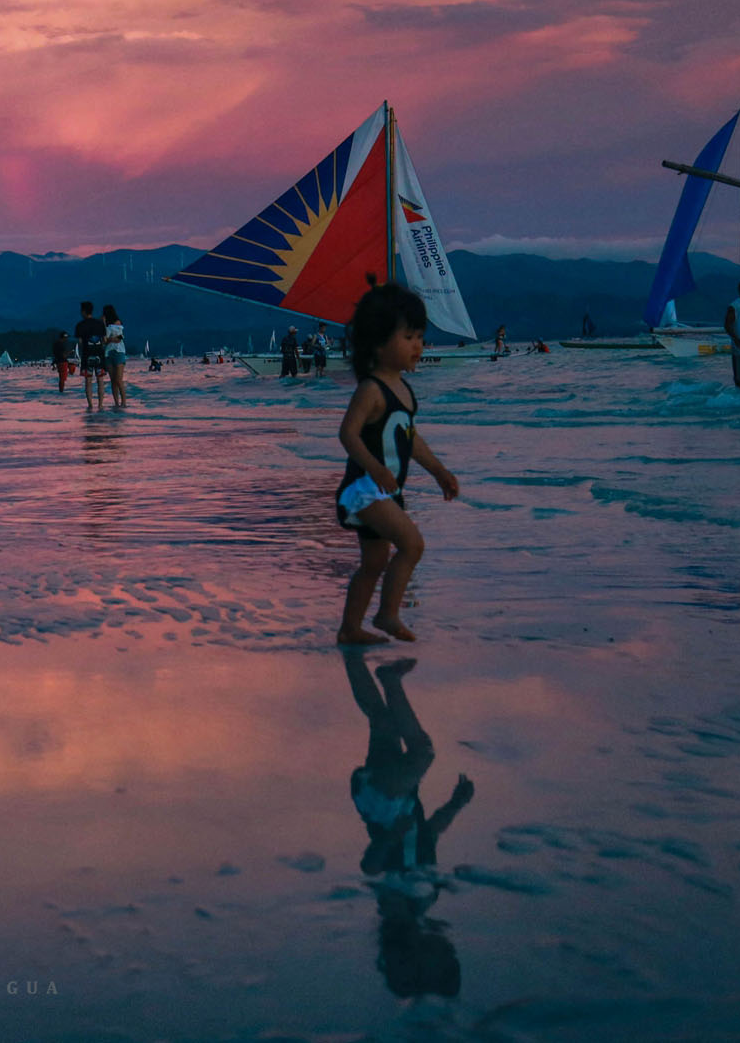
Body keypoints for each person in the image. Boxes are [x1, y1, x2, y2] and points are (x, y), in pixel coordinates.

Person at [342, 654, 474, 999]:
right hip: (395, 800)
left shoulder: (398, 913)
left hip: (383, 805)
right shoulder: (423, 901)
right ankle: (351, 653)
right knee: (382, 722)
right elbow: (429, 834)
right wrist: (456, 804)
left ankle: (390, 679)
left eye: (445, 956)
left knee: (422, 753)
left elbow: (370, 866)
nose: (448, 947)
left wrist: (390, 837)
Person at [336, 283, 459, 645]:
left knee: (374, 563)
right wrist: (375, 469)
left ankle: (350, 629)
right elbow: (348, 434)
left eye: (420, 336)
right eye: (408, 337)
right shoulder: (371, 390)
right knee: (412, 544)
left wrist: (438, 471)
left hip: (385, 491)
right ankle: (387, 615)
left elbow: (410, 439)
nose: (418, 345)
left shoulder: (403, 389)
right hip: (363, 490)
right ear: (378, 343)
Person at [74, 301, 106, 410]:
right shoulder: (100, 323)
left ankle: (90, 405)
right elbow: (104, 340)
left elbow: (80, 342)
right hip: (99, 355)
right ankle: (100, 405)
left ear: (83, 311)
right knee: (100, 380)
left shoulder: (80, 325)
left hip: (87, 355)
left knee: (88, 381)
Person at [100, 305, 125, 407]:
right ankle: (116, 403)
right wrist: (103, 325)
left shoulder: (117, 323)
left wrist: (109, 339)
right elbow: (104, 340)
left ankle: (123, 402)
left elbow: (119, 338)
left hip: (118, 352)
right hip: (108, 353)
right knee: (113, 381)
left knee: (118, 380)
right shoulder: (106, 326)